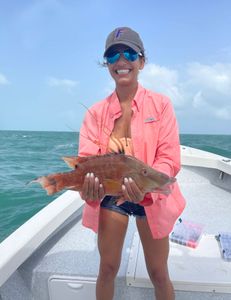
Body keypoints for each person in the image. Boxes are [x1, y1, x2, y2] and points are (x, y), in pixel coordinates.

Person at [78, 26, 185, 300]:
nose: (121, 60)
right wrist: (88, 186)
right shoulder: (95, 113)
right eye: (112, 56)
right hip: (111, 194)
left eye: (129, 53)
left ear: (142, 61)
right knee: (108, 268)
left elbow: (168, 157)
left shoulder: (161, 105)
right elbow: (87, 159)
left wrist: (148, 184)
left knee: (159, 272)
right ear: (107, 64)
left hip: (151, 193)